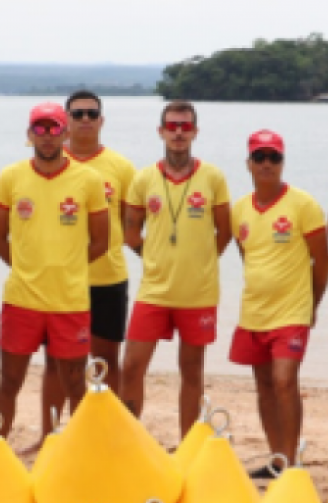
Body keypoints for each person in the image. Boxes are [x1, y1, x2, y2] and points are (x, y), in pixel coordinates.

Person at [0, 102, 108, 439]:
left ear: (65, 133)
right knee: (9, 382)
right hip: (21, 299)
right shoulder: (11, 176)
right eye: (39, 129)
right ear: (30, 134)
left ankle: (80, 454)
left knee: (75, 384)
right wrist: (28, 265)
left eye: (54, 128)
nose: (47, 136)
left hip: (69, 300)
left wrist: (66, 266)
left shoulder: (89, 179)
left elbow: (100, 242)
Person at [123, 101, 232, 440]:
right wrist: (152, 256)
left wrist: (199, 259)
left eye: (185, 127)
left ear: (195, 132)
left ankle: (187, 446)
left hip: (197, 293)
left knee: (191, 372)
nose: (179, 132)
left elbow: (224, 231)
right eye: (172, 126)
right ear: (161, 132)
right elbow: (130, 232)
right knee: (131, 367)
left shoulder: (212, 177)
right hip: (154, 290)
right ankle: (130, 443)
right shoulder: (144, 178)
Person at [33, 90, 135, 444]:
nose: (85, 120)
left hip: (107, 277)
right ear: (65, 122)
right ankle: (50, 433)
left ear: (102, 120)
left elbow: (122, 222)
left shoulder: (120, 167)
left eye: (92, 114)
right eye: (77, 114)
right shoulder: (48, 165)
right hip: (59, 281)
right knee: (55, 362)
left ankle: (107, 434)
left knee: (105, 361)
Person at [230, 130, 328, 474]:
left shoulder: (303, 205)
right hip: (254, 311)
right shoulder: (239, 209)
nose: (267, 164)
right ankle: (276, 459)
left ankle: (291, 462)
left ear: (283, 162)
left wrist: (312, 305)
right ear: (249, 164)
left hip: (292, 311)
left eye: (274, 157)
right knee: (264, 385)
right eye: (260, 157)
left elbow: (323, 260)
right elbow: (249, 256)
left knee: (285, 380)